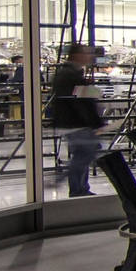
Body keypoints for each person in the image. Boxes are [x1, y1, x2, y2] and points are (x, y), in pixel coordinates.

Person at [48, 44, 102, 197]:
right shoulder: (69, 74)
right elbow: (78, 99)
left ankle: (81, 188)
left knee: (84, 153)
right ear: (77, 55)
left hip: (73, 122)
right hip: (75, 123)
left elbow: (80, 94)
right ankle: (69, 184)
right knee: (85, 153)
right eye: (86, 53)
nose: (90, 56)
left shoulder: (71, 73)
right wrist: (93, 121)